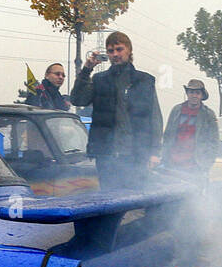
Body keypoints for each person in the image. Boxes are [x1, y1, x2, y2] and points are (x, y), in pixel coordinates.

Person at [69, 31, 163, 191]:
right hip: (106, 155)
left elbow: (155, 118)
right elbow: (77, 100)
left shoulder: (144, 80)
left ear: (129, 50)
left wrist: (155, 152)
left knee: (135, 200)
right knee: (109, 199)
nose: (115, 54)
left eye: (119, 49)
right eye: (111, 51)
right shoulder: (99, 80)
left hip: (136, 154)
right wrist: (86, 70)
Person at [161, 79, 219, 186]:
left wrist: (205, 165)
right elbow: (167, 136)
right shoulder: (176, 110)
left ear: (201, 95)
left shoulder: (208, 115)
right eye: (191, 92)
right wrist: (164, 157)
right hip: (172, 164)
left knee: (193, 198)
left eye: (197, 93)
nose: (194, 95)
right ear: (187, 94)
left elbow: (214, 143)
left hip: (195, 166)